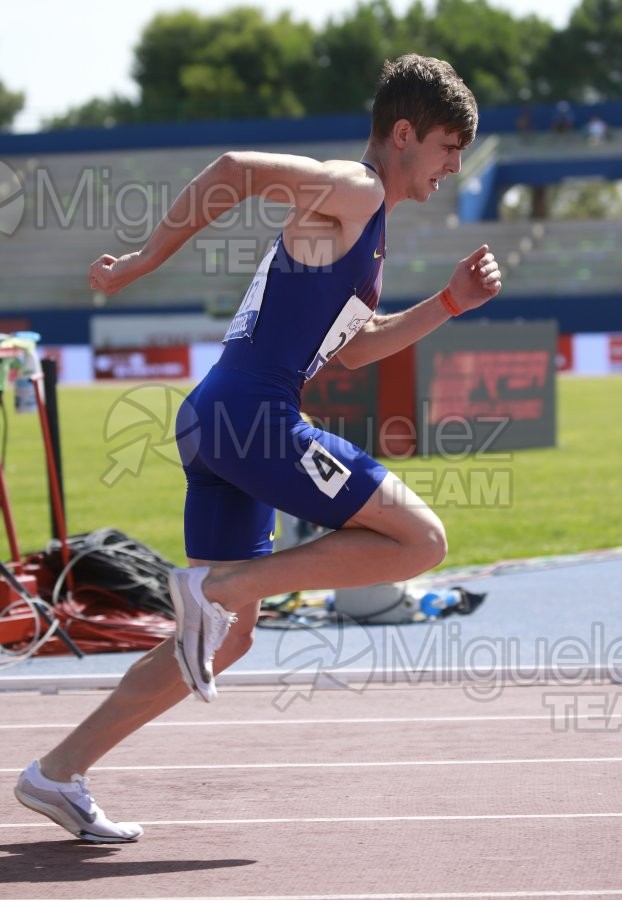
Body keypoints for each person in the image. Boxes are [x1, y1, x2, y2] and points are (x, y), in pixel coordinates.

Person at [14, 53, 502, 843]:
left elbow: (350, 348)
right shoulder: (357, 187)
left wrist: (448, 303)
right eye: (449, 147)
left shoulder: (364, 226)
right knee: (421, 540)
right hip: (254, 416)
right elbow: (237, 168)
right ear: (405, 133)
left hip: (218, 423)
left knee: (228, 632)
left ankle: (57, 772)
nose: (453, 166)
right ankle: (220, 584)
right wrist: (141, 262)